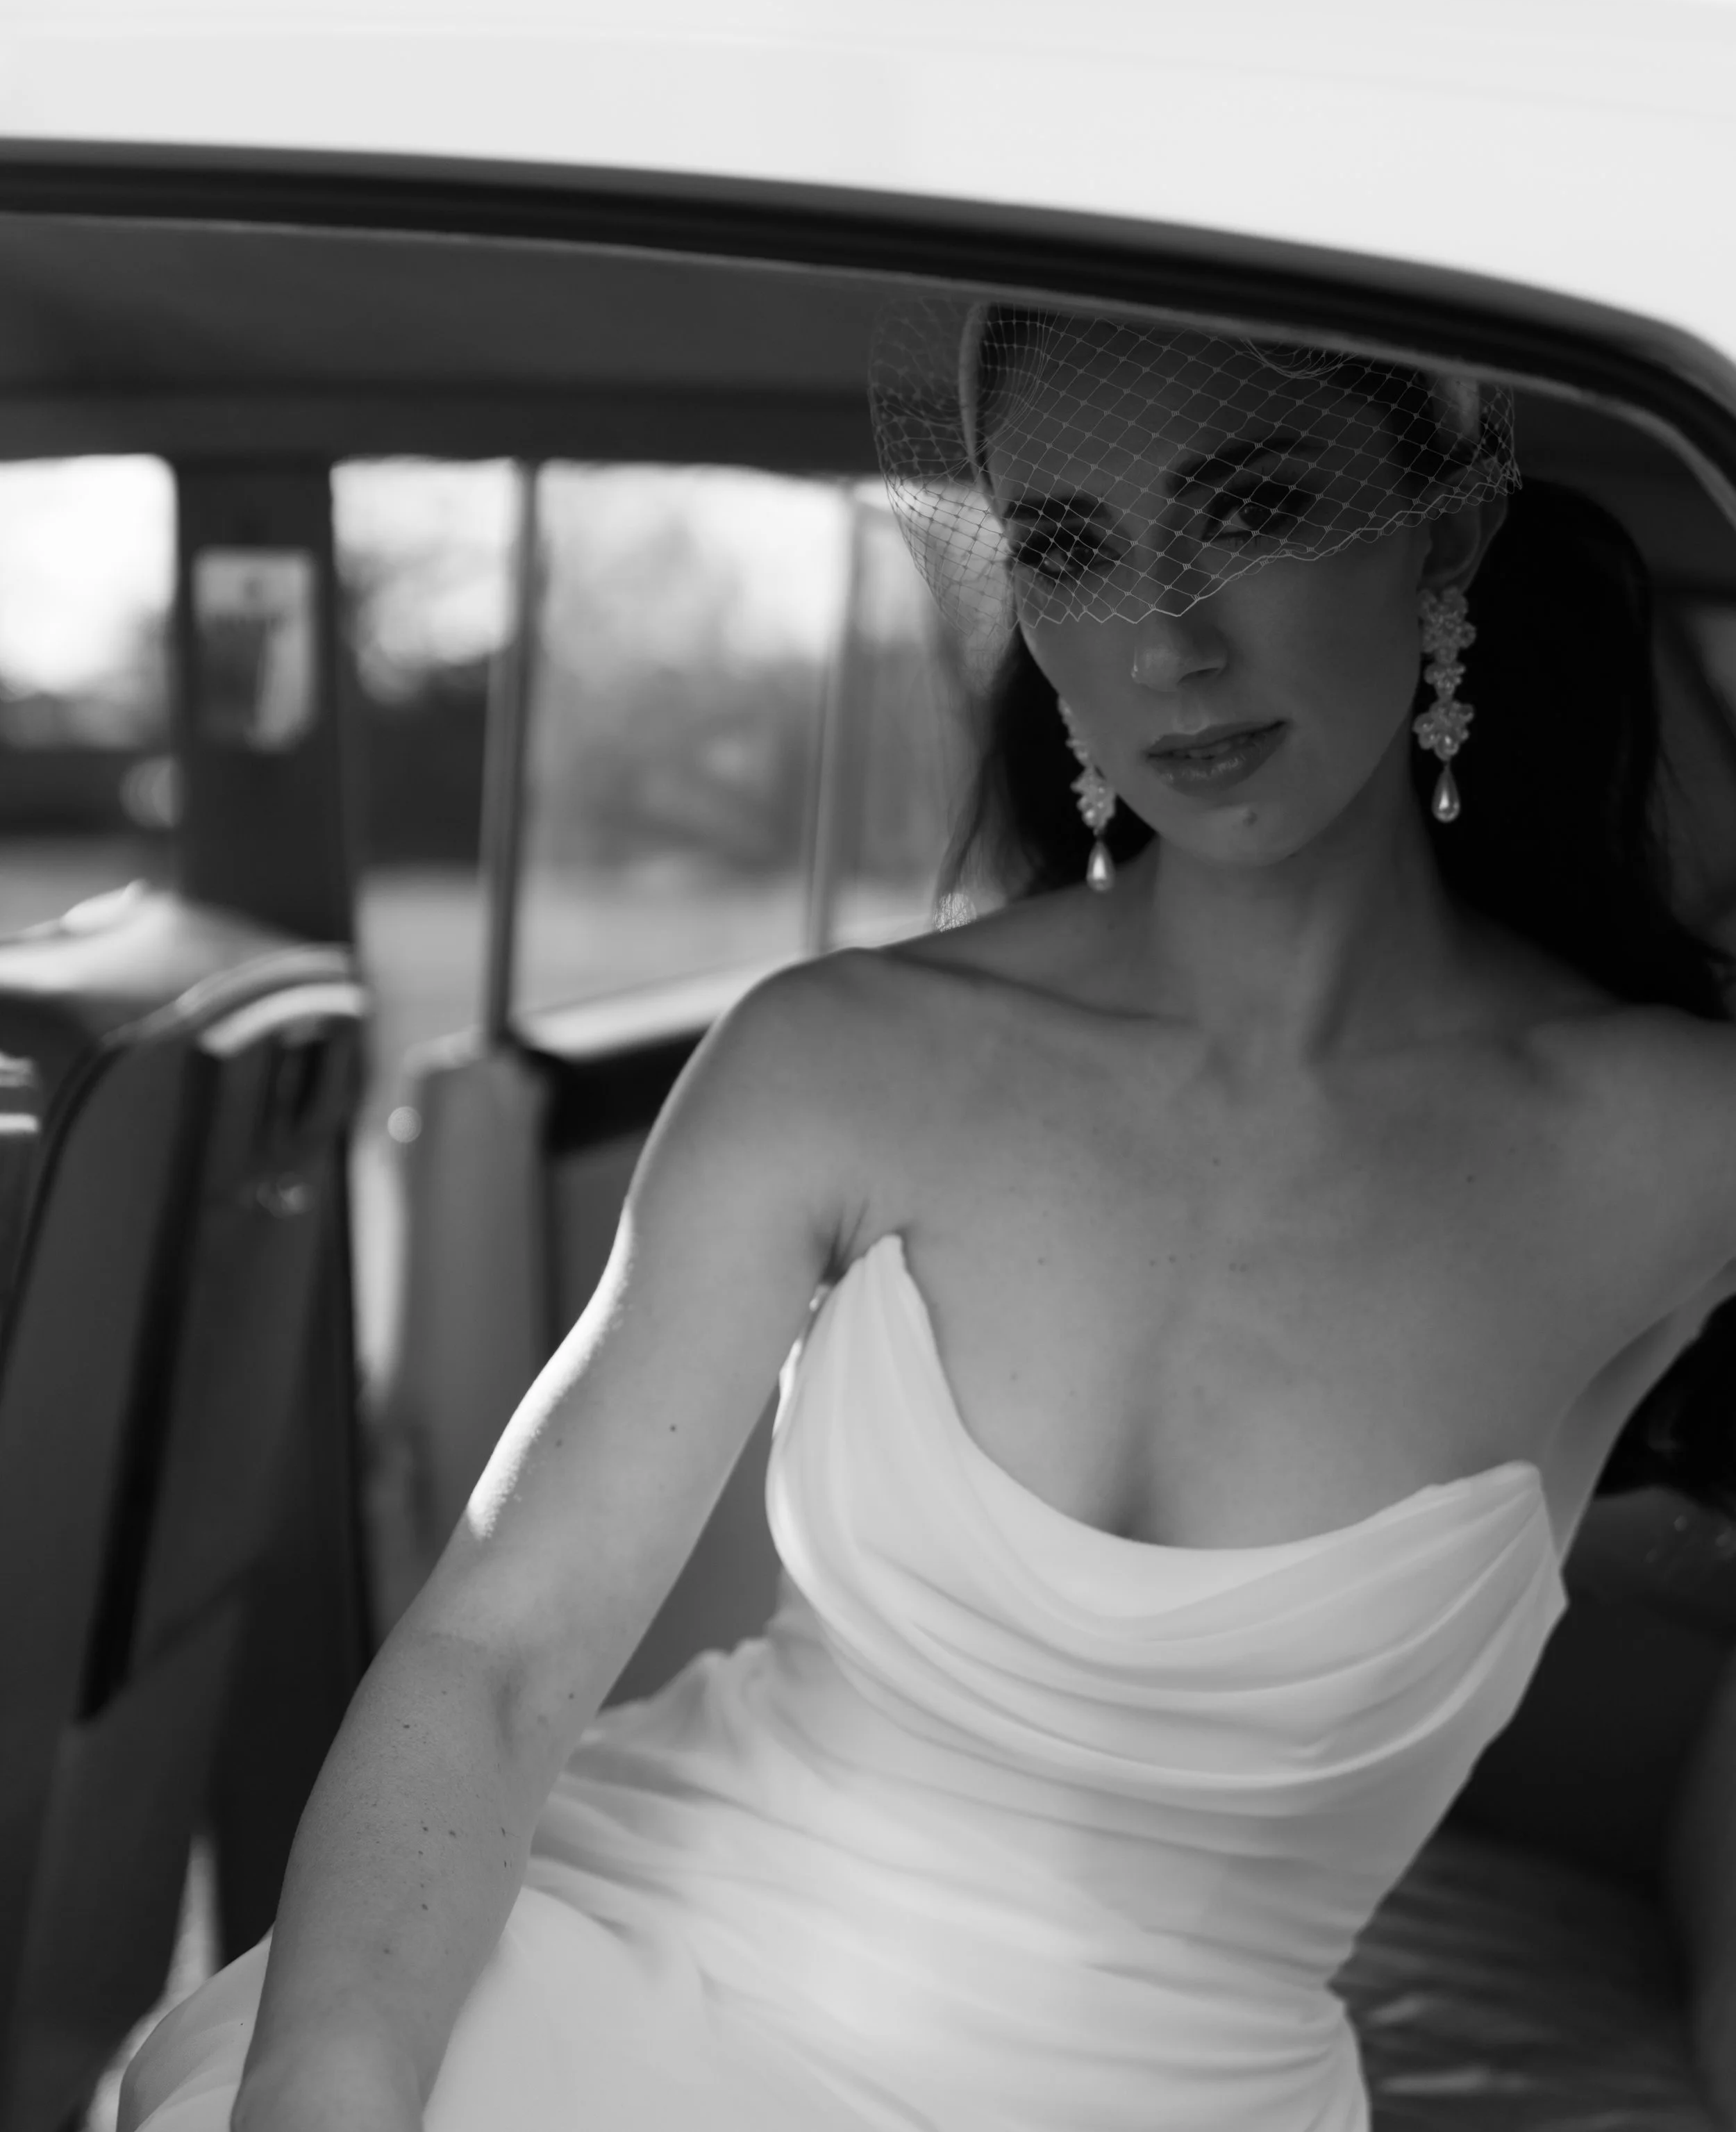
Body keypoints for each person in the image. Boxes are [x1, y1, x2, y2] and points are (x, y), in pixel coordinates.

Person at [124, 299, 1736, 2132]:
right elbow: (501, 1650)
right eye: (1069, 550)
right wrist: (327, 2101)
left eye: (1253, 512)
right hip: (627, 1971)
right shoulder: (840, 1057)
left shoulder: (1660, 1146)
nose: (1169, 639)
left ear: (1441, 526)